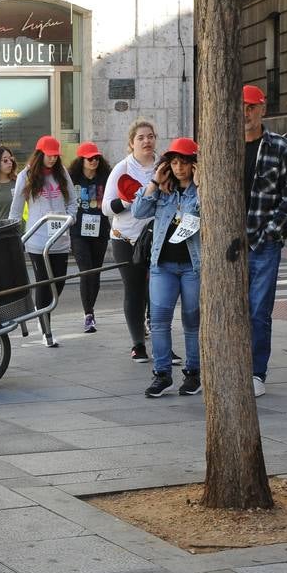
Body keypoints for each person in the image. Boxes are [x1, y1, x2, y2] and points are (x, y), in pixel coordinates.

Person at [242, 84, 287, 397]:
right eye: (241, 106)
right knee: (224, 310)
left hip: (263, 243)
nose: (246, 112)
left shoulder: (280, 147)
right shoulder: (223, 144)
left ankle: (255, 372)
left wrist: (273, 230)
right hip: (226, 245)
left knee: (257, 311)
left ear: (263, 109)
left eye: (252, 106)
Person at [133, 138, 202, 398]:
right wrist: (153, 182)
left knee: (191, 321)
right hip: (163, 265)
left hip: (192, 266)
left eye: (184, 162)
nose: (179, 168)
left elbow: (207, 214)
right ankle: (162, 374)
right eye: (174, 163)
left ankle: (193, 373)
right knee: (159, 321)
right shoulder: (163, 190)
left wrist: (200, 186)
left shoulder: (199, 190)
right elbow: (138, 210)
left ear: (194, 165)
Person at [10, 135, 75, 347]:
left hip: (61, 239)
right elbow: (16, 210)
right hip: (37, 240)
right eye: (49, 156)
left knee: (59, 282)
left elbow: (73, 202)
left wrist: (70, 218)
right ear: (40, 154)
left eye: (56, 156)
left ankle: (44, 314)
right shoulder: (26, 176)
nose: (53, 160)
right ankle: (46, 327)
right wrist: (15, 236)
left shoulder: (62, 173)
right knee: (44, 284)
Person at [105, 119, 160, 363]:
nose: (147, 141)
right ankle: (138, 344)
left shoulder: (163, 166)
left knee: (159, 292)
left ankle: (162, 343)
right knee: (135, 290)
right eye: (141, 137)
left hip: (157, 239)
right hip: (125, 239)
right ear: (131, 143)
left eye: (150, 136)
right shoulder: (122, 169)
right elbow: (107, 207)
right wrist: (132, 201)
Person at [68, 142, 112, 334]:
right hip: (78, 231)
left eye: (96, 158)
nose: (94, 161)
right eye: (90, 158)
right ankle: (88, 314)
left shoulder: (106, 177)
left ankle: (90, 310)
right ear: (81, 160)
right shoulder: (72, 178)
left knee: (95, 272)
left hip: (100, 230)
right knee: (85, 271)